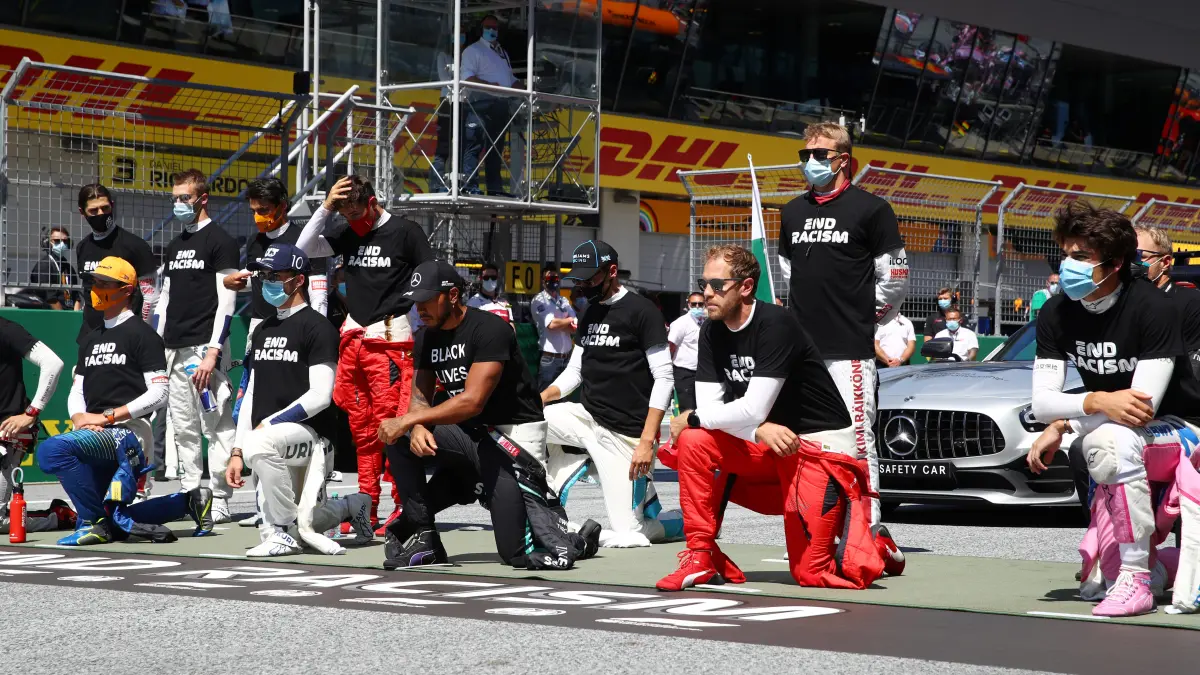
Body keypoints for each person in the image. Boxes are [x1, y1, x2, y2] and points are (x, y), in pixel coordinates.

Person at [657, 244, 899, 591]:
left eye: (717, 284)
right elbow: (714, 410)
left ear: (746, 287)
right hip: (768, 445)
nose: (706, 293)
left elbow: (748, 409)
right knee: (695, 441)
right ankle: (700, 555)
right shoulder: (711, 330)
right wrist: (756, 430)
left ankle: (876, 544)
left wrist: (698, 418)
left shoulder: (776, 324)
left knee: (811, 574)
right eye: (703, 283)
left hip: (817, 447)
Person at [1026, 202, 1200, 617]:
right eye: (1065, 254)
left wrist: (1069, 422)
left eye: (1081, 256)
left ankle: (1136, 580)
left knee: (1107, 441)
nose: (1069, 265)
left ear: (1116, 263)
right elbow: (1042, 403)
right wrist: (1092, 403)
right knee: (1098, 584)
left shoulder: (1153, 306)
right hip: (1120, 426)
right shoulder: (1055, 311)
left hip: (1184, 428)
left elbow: (1140, 409)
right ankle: (1155, 567)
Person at [376, 260, 600, 568]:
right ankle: (425, 538)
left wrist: (412, 419)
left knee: (515, 553)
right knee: (398, 436)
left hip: (512, 440)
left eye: (426, 299)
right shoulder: (427, 336)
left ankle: (577, 540)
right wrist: (416, 426)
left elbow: (473, 402)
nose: (419, 308)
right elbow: (419, 396)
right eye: (416, 301)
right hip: (470, 436)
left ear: (452, 295)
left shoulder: (491, 329)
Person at [777, 121, 909, 527]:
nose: (811, 162)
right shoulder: (792, 211)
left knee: (857, 440)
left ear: (843, 160)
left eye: (820, 155)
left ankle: (865, 530)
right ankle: (816, 529)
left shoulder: (872, 209)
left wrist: (864, 320)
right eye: (805, 155)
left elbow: (895, 278)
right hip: (802, 351)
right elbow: (788, 273)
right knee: (806, 440)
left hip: (849, 349)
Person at [37, 256, 214, 545]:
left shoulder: (143, 335)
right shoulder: (90, 339)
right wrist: (80, 419)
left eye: (105, 284)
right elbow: (77, 390)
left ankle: (94, 524)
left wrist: (105, 417)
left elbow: (159, 393)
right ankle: (188, 502)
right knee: (113, 518)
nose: (96, 289)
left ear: (127, 290)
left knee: (51, 450)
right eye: (95, 282)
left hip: (128, 433)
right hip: (94, 431)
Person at [295, 175, 435, 531]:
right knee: (362, 432)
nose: (353, 221)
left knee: (394, 427)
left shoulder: (406, 231)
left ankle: (405, 508)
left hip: (392, 342)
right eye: (346, 215)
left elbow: (430, 277)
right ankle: (365, 506)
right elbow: (302, 249)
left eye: (357, 214)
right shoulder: (346, 231)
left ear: (372, 202)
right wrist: (326, 208)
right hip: (354, 341)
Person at [222, 244, 373, 556]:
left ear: (299, 280)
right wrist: (237, 451)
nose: (267, 282)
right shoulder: (262, 330)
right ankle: (352, 506)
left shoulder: (318, 327)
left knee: (261, 449)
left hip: (312, 436)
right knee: (302, 519)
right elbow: (251, 393)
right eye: (263, 276)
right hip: (270, 437)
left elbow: (321, 396)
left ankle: (282, 532)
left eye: (275, 275)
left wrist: (267, 426)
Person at [540, 240, 682, 548]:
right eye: (578, 280)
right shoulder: (589, 312)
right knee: (529, 421)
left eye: (589, 279)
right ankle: (543, 506)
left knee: (630, 534)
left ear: (612, 271)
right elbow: (575, 372)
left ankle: (683, 521)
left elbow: (664, 378)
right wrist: (541, 398)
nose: (582, 286)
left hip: (626, 434)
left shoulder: (643, 312)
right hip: (586, 418)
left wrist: (646, 442)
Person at [152, 169, 239, 523]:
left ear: (202, 199)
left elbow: (227, 303)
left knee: (215, 424)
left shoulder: (221, 241)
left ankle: (220, 497)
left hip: (204, 349)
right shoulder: (174, 245)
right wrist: (155, 343)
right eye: (175, 198)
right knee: (184, 426)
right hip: (174, 349)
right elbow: (165, 298)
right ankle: (191, 494)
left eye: (184, 198)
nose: (178, 204)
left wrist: (214, 352)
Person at [0, 314, 74, 534]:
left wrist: (32, 412)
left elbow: (53, 363)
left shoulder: (5, 328)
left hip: (6, 433)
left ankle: (58, 517)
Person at [74, 184, 158, 343]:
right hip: (91, 335)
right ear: (82, 212)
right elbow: (87, 291)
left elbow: (151, 297)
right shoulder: (82, 247)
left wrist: (143, 332)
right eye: (93, 210)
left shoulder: (135, 245)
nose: (101, 214)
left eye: (105, 208)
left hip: (125, 335)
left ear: (112, 206)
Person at [461, 14, 516, 195]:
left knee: (496, 149)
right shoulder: (473, 50)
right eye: (488, 27)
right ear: (480, 29)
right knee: (474, 145)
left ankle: (494, 189)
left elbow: (510, 79)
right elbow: (467, 78)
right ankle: (470, 187)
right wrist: (490, 86)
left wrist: (524, 87)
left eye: (495, 27)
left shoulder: (502, 53)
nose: (492, 30)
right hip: (480, 104)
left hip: (500, 104)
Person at [530, 269, 576, 391]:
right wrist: (569, 320)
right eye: (549, 279)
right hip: (550, 359)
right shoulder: (538, 300)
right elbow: (551, 324)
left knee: (564, 396)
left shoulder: (563, 300)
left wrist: (565, 322)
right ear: (543, 281)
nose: (553, 282)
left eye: (555, 279)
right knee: (545, 396)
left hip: (567, 358)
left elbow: (575, 325)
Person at [668, 292, 706, 409]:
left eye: (700, 304)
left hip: (702, 372)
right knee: (688, 409)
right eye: (694, 304)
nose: (697, 307)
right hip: (685, 373)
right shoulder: (681, 323)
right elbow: (671, 345)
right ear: (689, 305)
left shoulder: (706, 322)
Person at [29, 227, 81, 310]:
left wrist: (75, 315)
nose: (62, 244)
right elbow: (50, 299)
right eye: (57, 241)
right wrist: (63, 316)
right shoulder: (44, 266)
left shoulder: (69, 268)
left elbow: (76, 297)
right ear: (47, 243)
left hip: (70, 313)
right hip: (52, 315)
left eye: (65, 241)